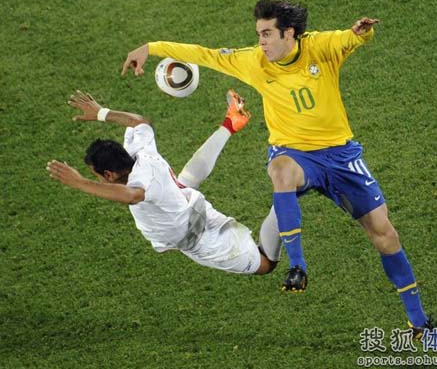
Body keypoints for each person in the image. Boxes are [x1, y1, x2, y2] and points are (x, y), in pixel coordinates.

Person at [120, 0, 437, 349]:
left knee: (385, 236)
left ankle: (419, 324)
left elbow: (347, 39)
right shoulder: (254, 61)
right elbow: (204, 54)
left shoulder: (319, 49)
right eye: (258, 34)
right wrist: (150, 47)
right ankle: (298, 265)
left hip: (340, 156)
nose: (260, 42)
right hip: (293, 154)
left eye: (266, 34)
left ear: (289, 33)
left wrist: (359, 33)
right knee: (280, 170)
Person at [47, 90, 281, 276]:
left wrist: (79, 182)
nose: (96, 179)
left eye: (96, 174)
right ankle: (231, 122)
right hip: (188, 205)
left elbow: (132, 195)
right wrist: (102, 113)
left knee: (265, 264)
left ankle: (286, 196)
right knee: (182, 182)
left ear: (109, 175)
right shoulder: (139, 150)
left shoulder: (139, 185)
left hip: (199, 238)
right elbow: (140, 123)